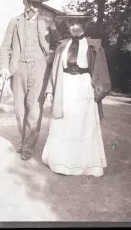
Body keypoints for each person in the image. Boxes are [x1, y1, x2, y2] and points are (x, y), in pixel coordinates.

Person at [41, 14, 111, 177]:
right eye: (71, 23)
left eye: (77, 24)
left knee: (81, 125)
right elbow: (55, 70)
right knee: (65, 123)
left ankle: (81, 164)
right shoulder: (62, 46)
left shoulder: (93, 46)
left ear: (84, 26)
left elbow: (101, 72)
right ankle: (61, 163)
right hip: (65, 85)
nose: (73, 27)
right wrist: (51, 90)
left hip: (83, 87)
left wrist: (96, 93)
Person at [0, 0, 60, 161]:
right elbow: (5, 47)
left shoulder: (47, 23)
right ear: (24, 2)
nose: (32, 7)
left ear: (40, 6)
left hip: (39, 67)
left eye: (36, 4)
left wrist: (50, 57)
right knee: (19, 109)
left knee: (34, 109)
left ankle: (28, 147)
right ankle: (25, 139)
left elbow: (57, 44)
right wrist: (4, 67)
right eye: (30, 3)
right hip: (18, 68)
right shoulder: (14, 22)